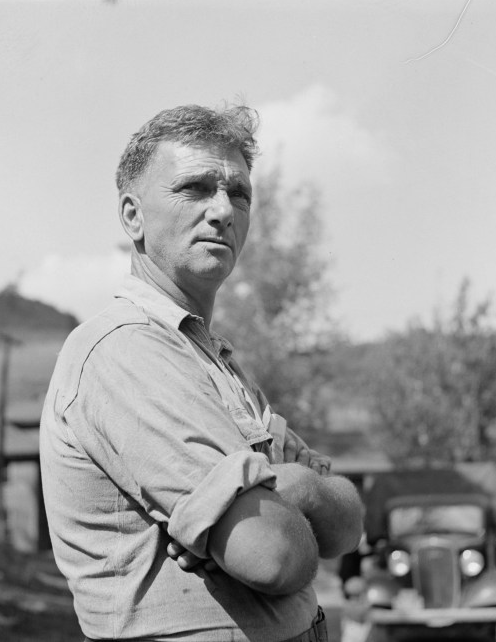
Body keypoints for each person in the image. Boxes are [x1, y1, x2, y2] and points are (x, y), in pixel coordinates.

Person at [40, 104, 364, 642]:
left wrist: (288, 489)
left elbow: (349, 528)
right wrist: (294, 493)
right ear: (132, 216)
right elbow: (276, 554)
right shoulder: (124, 351)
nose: (223, 211)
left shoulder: (212, 356)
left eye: (239, 193)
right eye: (195, 188)